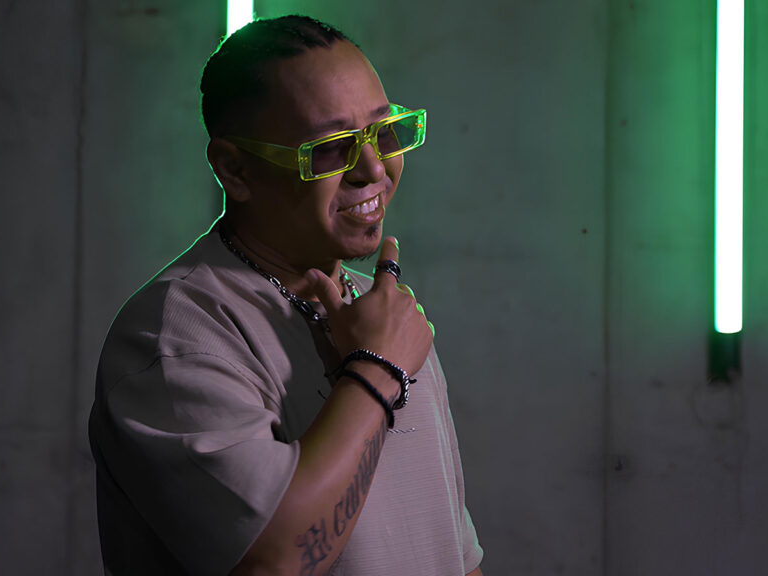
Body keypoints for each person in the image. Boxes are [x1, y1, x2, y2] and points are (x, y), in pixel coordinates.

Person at [89, 15, 484, 576]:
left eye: (384, 133)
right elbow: (270, 563)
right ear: (235, 169)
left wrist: (381, 355)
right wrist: (376, 371)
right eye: (331, 149)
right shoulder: (175, 337)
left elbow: (453, 553)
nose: (374, 169)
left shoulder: (385, 315)